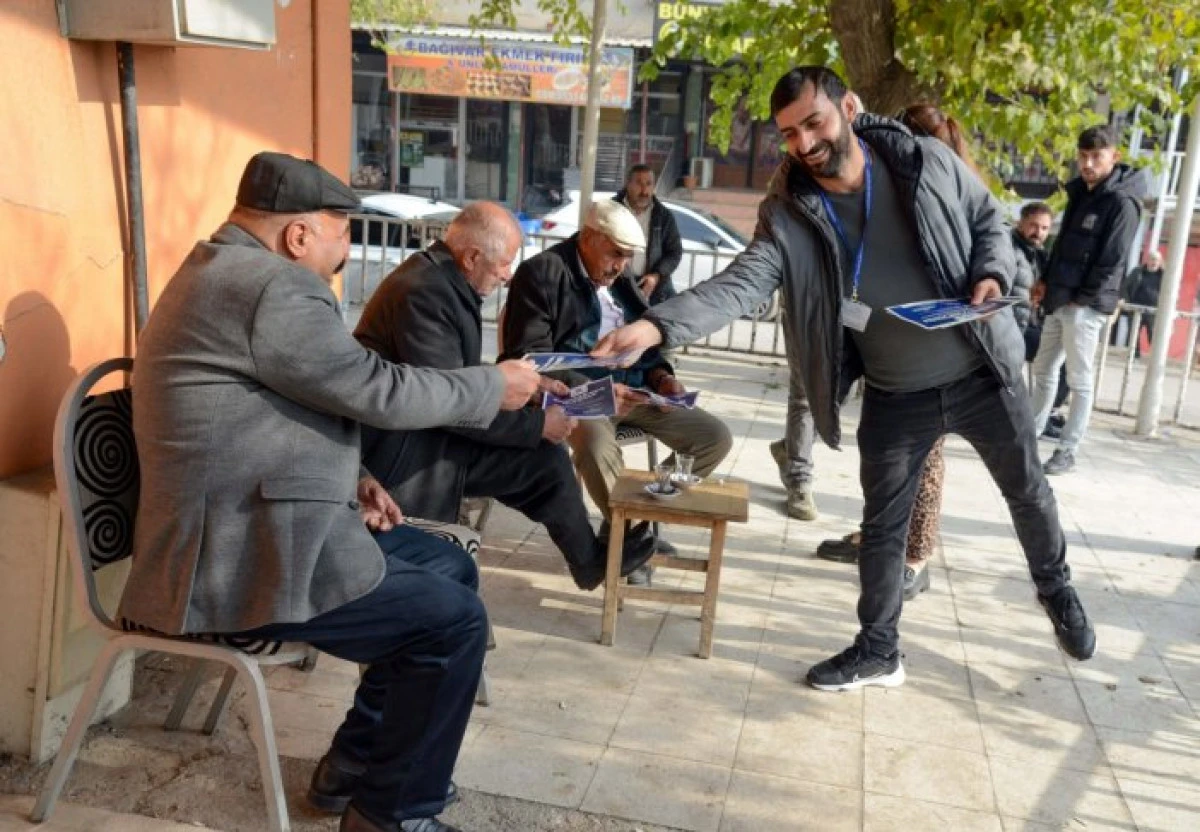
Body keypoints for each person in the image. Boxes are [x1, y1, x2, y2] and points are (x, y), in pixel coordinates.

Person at [592, 66, 1096, 691]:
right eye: (788, 133)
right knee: (883, 527)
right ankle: (879, 648)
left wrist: (991, 275)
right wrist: (655, 328)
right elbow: (742, 281)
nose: (803, 143)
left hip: (978, 372)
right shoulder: (789, 211)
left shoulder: (924, 160)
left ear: (849, 107)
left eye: (814, 122)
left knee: (1027, 491)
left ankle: (1057, 590)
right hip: (895, 392)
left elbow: (988, 220)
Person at [118, 152, 543, 832]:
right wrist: (493, 386)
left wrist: (355, 477)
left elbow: (275, 404)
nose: (348, 249)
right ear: (298, 236)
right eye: (344, 233)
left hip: (247, 522)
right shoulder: (272, 288)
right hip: (236, 561)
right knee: (451, 623)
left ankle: (356, 763)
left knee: (450, 567)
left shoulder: (221, 267)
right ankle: (391, 814)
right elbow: (377, 388)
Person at [354, 202, 657, 591]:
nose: (508, 275)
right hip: (407, 454)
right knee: (544, 458)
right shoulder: (424, 294)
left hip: (427, 435)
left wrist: (525, 385)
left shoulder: (440, 281)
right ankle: (589, 560)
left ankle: (589, 560)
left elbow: (455, 379)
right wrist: (536, 424)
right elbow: (449, 404)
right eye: (504, 263)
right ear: (472, 257)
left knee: (546, 462)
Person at [814, 102, 991, 602]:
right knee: (889, 457)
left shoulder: (939, 180)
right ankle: (880, 537)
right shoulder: (892, 184)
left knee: (927, 455)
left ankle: (915, 556)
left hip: (937, 352)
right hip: (889, 345)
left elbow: (982, 250)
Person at [500, 200, 733, 558]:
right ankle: (631, 539)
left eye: (628, 257)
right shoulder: (543, 273)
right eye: (616, 253)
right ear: (590, 237)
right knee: (594, 446)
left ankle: (631, 524)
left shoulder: (619, 278)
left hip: (635, 393)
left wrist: (661, 377)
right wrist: (599, 390)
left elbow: (646, 341)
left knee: (714, 438)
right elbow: (529, 359)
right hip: (577, 397)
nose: (621, 265)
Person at [1030, 125, 1147, 475]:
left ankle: (1067, 449)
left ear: (1115, 156)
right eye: (1083, 155)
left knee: (1080, 380)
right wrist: (1046, 282)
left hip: (1085, 305)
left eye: (1097, 155)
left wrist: (1082, 300)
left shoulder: (1123, 202)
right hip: (1059, 297)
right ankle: (1029, 435)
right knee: (1043, 370)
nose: (1088, 163)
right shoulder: (1081, 192)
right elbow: (1063, 244)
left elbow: (1112, 259)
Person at [615, 164, 684, 305]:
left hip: (653, 289)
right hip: (616, 285)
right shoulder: (612, 210)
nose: (644, 190)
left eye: (648, 184)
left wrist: (657, 276)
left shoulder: (664, 216)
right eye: (639, 183)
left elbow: (674, 252)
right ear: (628, 184)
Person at [1123, 249, 1165, 357]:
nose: (1153, 262)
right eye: (1151, 259)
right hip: (1136, 308)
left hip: (1154, 311)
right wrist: (1128, 303)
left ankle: (1155, 357)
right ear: (1147, 260)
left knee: (1154, 334)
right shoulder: (1137, 271)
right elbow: (1125, 287)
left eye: (1156, 260)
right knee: (1133, 333)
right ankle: (1133, 355)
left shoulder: (1164, 275)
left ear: (1160, 262)